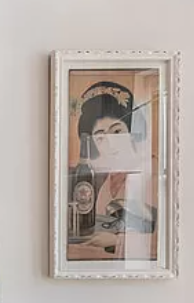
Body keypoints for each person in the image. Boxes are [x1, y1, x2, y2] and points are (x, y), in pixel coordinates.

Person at [68, 79, 158, 260]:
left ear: (132, 131)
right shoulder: (107, 182)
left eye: (117, 132)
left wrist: (115, 241)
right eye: (100, 137)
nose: (110, 144)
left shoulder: (156, 174)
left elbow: (166, 243)